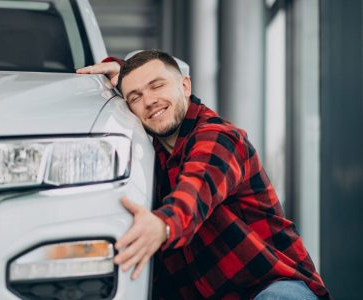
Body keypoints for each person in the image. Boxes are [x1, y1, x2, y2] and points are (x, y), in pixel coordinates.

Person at [77, 50, 330, 299]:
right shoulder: (151, 157)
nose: (149, 100)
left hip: (270, 287)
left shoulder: (218, 136)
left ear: (185, 86)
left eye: (158, 86)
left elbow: (196, 189)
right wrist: (121, 72)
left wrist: (162, 224)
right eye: (135, 97)